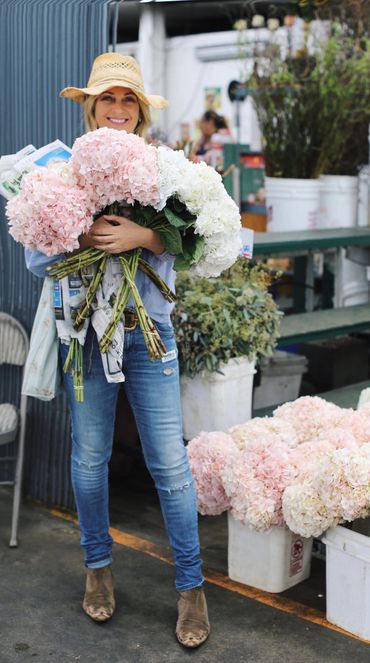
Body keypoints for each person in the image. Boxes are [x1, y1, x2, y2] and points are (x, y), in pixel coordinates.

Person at [24, 52, 210, 649]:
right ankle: (97, 569)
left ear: (141, 111)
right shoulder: (60, 172)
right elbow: (34, 257)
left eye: (129, 99)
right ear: (91, 106)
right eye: (108, 98)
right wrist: (76, 233)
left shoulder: (165, 170)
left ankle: (191, 587)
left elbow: (195, 242)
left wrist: (145, 234)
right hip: (83, 335)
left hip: (147, 334)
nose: (119, 109)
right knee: (89, 458)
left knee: (171, 466)